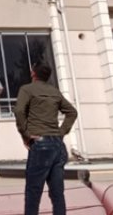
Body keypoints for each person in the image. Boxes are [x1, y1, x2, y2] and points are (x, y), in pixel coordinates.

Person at [15, 61, 78, 215]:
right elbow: (72, 112)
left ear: (33, 73)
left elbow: (18, 111)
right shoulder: (55, 92)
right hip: (57, 146)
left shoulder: (27, 89)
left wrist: (26, 134)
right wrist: (61, 132)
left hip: (40, 145)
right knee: (57, 194)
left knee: (33, 193)